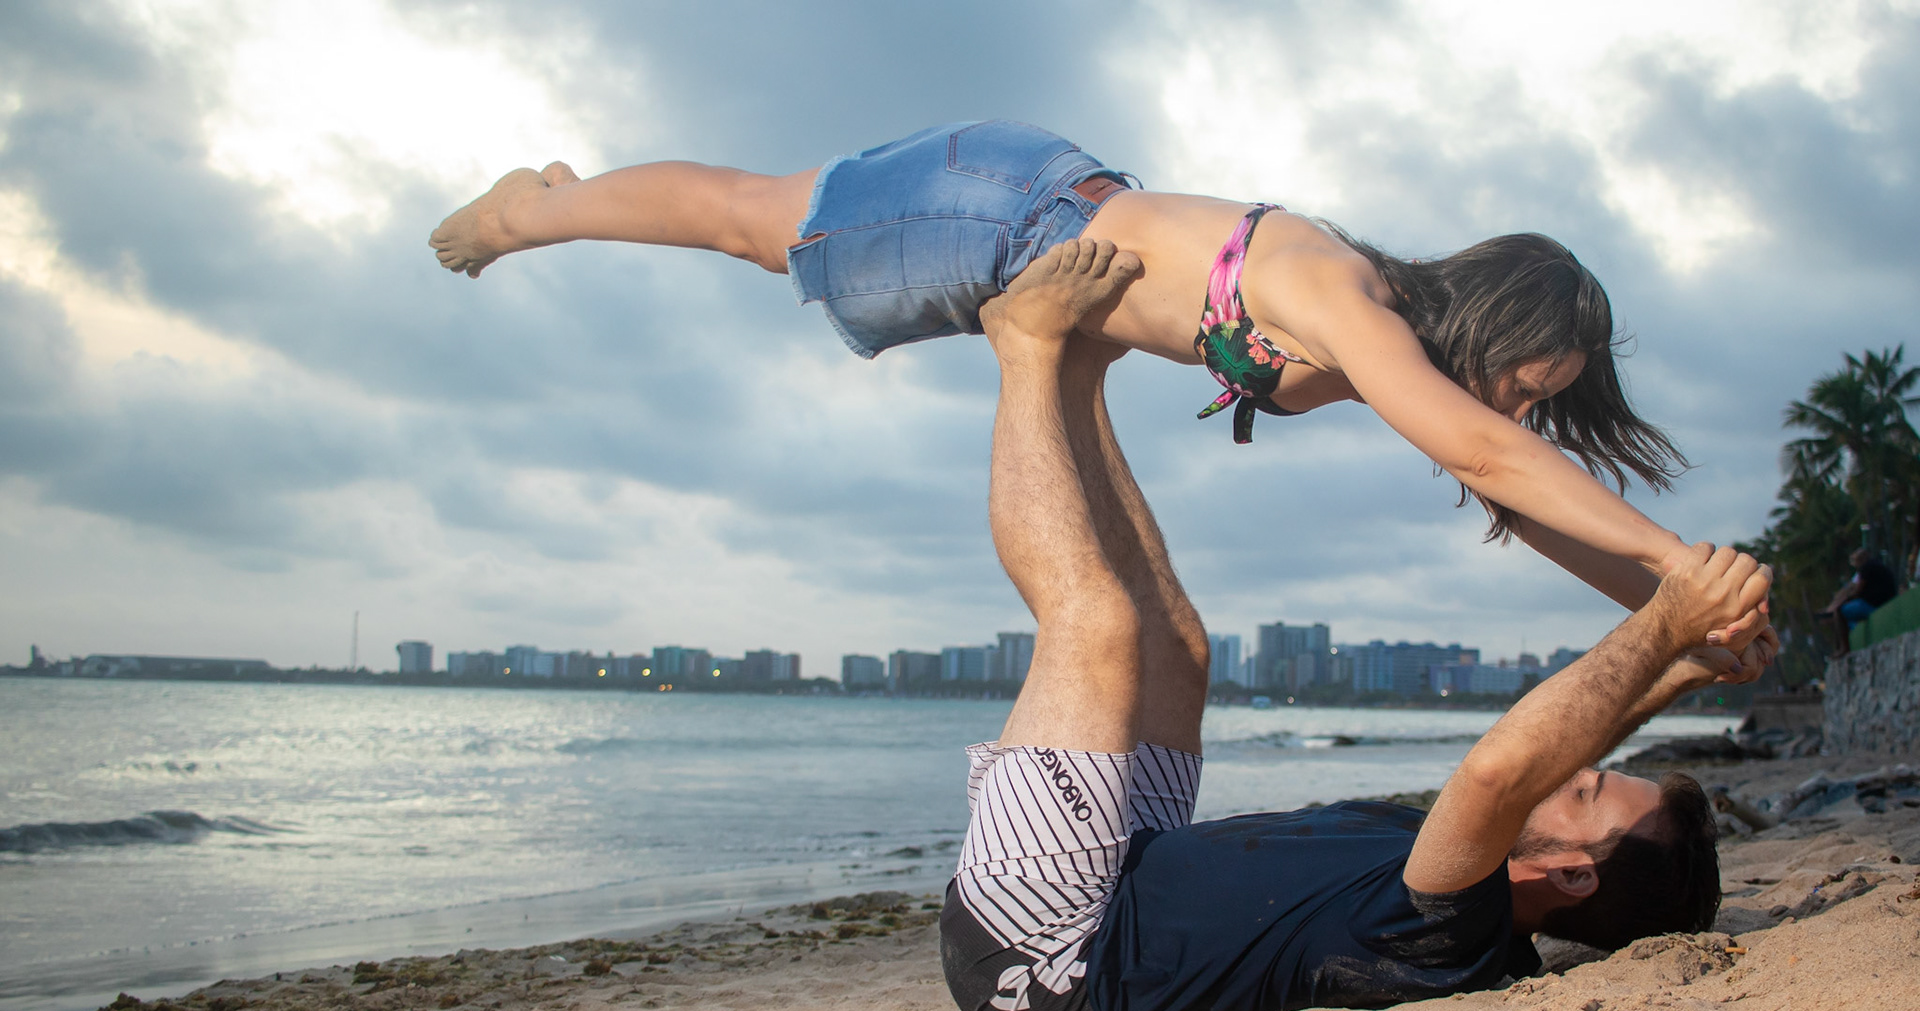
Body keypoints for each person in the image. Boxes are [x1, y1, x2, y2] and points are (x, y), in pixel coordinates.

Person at [429, 121, 1762, 651]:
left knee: (759, 219)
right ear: (1492, 323)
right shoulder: (1346, 303)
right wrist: (1682, 559)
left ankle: (559, 198)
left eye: (1541, 401)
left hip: (1036, 213)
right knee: (751, 221)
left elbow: (1520, 495)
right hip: (1007, 213)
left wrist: (1683, 614)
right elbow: (1491, 460)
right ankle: (528, 211)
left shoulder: (1386, 357)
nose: (1521, 416)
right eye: (1527, 384)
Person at [941, 237, 1775, 1011]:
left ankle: (1024, 349)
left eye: (1584, 792)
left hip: (1046, 954)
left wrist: (1661, 621)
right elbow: (1565, 735)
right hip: (1129, 862)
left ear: (1571, 874)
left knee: (1097, 626)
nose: (1572, 767)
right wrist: (1683, 668)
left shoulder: (1448, 932)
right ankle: (1081, 374)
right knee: (1179, 649)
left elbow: (1501, 771)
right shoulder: (1462, 890)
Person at [1822, 547, 1899, 655]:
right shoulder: (1877, 565)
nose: (1855, 565)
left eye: (1855, 561)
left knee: (1839, 612)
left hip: (1874, 605)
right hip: (1885, 603)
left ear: (1861, 559)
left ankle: (1844, 648)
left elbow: (1857, 591)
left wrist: (1841, 603)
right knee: (1848, 619)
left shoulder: (1866, 568)